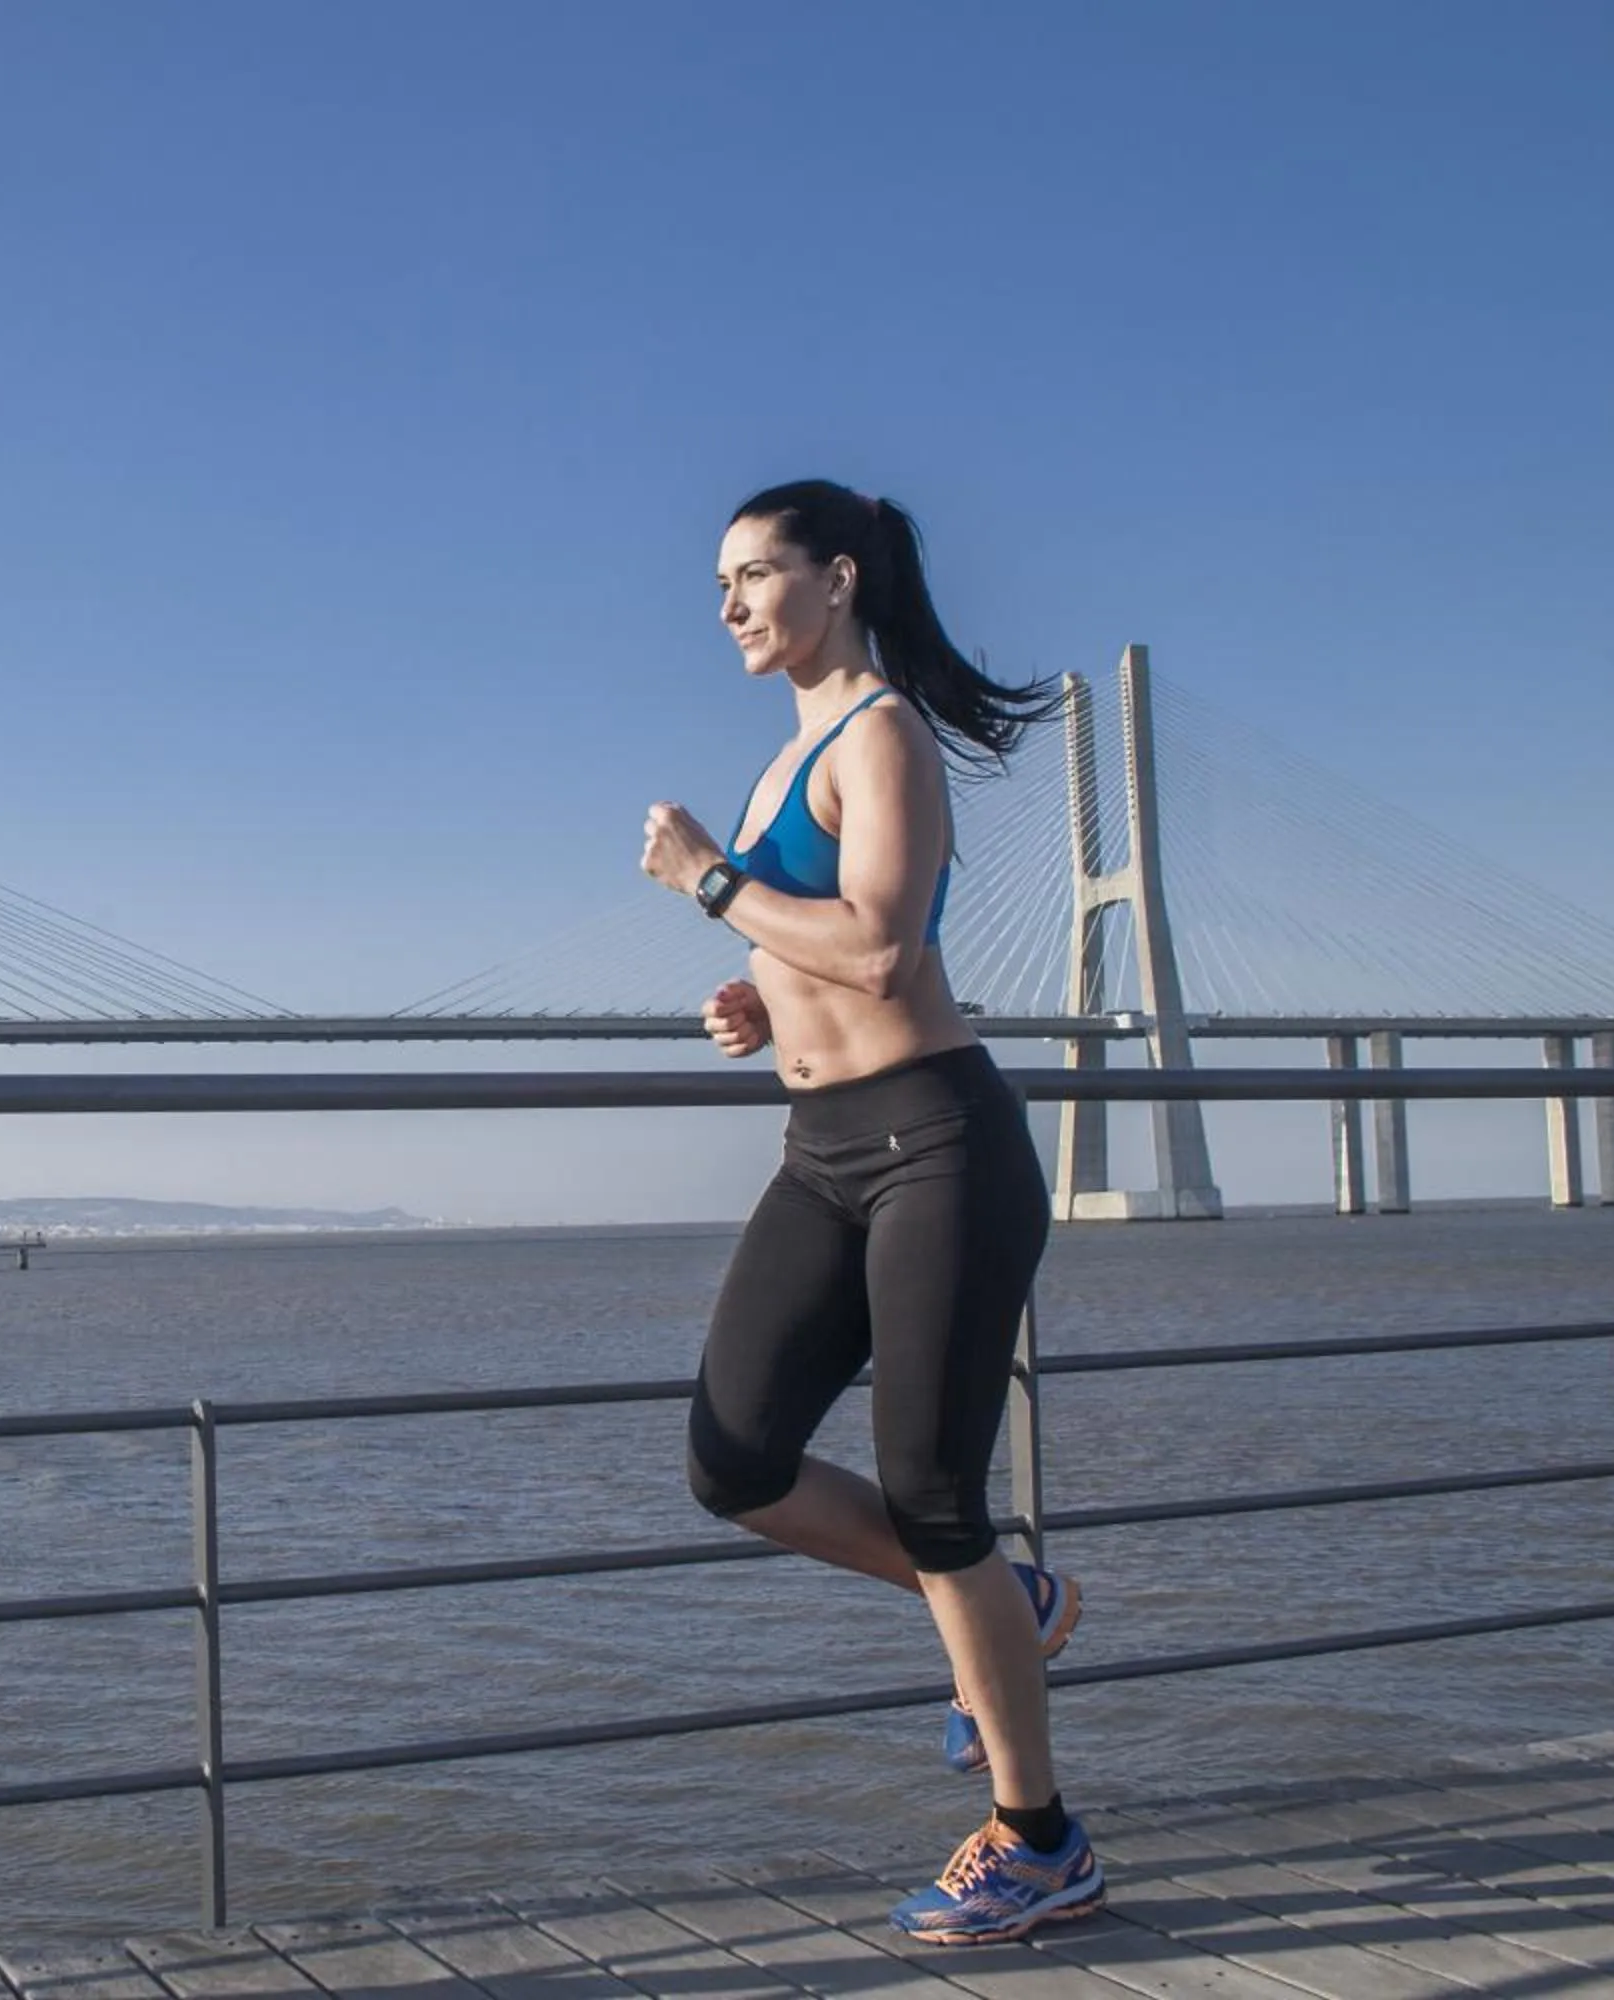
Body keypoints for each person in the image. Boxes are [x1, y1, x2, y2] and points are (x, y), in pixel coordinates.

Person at [639, 478, 1099, 1945]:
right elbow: (819, 949)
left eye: (753, 575)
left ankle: (1039, 1841)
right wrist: (758, 999)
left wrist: (712, 884)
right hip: (823, 1152)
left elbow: (890, 951)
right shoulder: (787, 762)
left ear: (837, 580)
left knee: (933, 1494)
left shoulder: (881, 734)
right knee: (734, 1459)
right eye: (718, 585)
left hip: (936, 1147)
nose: (729, 605)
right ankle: (1008, 1605)